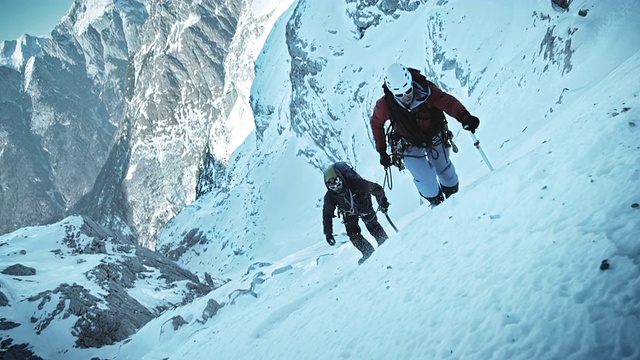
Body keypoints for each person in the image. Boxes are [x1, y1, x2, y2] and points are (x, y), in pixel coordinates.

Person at [370, 62, 480, 206]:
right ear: (391, 92)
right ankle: (438, 205)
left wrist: (464, 116)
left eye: (408, 91)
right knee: (424, 179)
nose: (405, 97)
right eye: (400, 95)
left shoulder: (427, 91)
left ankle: (455, 201)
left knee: (445, 171)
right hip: (408, 141)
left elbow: (447, 102)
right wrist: (382, 151)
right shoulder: (385, 105)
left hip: (434, 133)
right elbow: (376, 123)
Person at [322, 162, 390, 264]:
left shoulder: (356, 183)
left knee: (372, 225)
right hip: (349, 211)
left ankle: (386, 245)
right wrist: (328, 233)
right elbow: (327, 214)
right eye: (332, 185)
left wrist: (382, 202)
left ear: (340, 178)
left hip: (362, 202)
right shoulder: (330, 197)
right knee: (353, 234)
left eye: (336, 182)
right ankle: (369, 252)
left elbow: (376, 189)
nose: (336, 188)